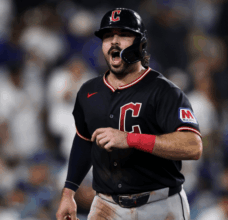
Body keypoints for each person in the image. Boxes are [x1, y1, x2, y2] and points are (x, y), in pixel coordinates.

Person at [56, 8, 203, 220]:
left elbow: (192, 146)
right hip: (107, 205)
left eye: (123, 35)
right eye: (108, 36)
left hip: (160, 205)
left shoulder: (164, 91)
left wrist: (130, 139)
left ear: (140, 44)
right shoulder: (89, 91)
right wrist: (69, 192)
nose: (114, 42)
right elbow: (83, 141)